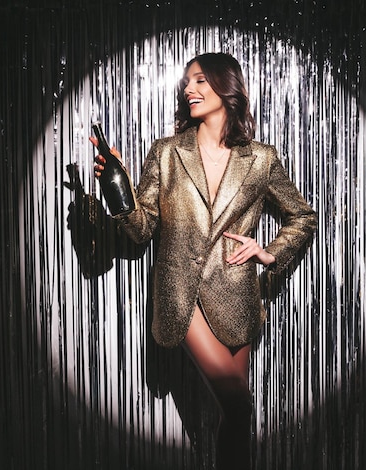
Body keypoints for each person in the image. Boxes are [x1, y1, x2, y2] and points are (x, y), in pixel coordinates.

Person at [91, 52, 317, 469]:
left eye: (199, 81)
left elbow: (303, 216)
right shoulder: (167, 152)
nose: (188, 89)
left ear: (225, 86)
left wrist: (270, 251)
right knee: (239, 404)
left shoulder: (261, 159)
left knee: (233, 415)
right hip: (182, 294)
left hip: (238, 294)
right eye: (186, 82)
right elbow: (141, 230)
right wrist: (116, 184)